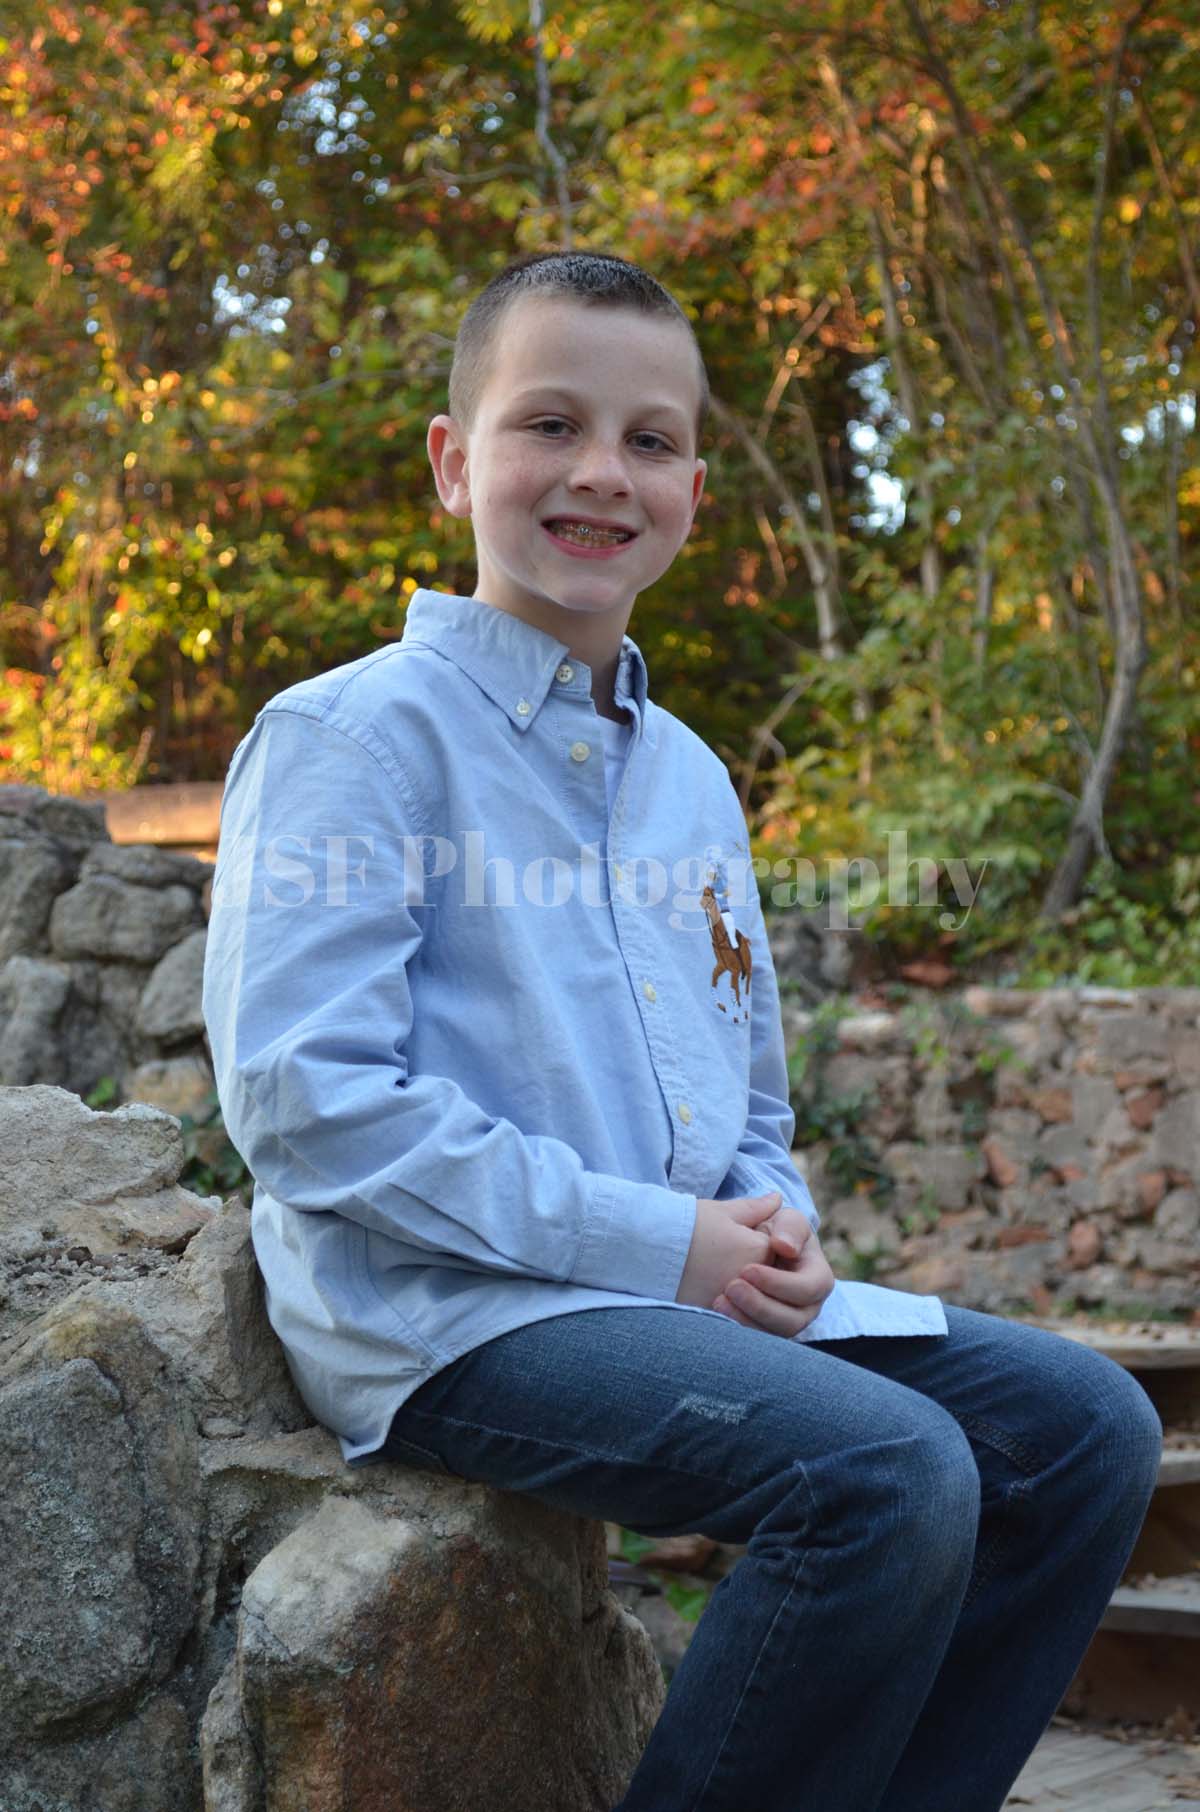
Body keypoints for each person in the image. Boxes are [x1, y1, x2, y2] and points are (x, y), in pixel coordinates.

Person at [202, 250, 1163, 1812]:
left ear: (694, 492)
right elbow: (307, 1103)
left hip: (671, 1287)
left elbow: (745, 1083)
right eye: (550, 425)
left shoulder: (692, 779)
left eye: (649, 441)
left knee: (1086, 1430)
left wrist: (771, 1224)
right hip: (456, 1315)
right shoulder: (352, 739)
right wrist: (662, 1243)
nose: (602, 472)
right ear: (455, 462)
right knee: (885, 1472)